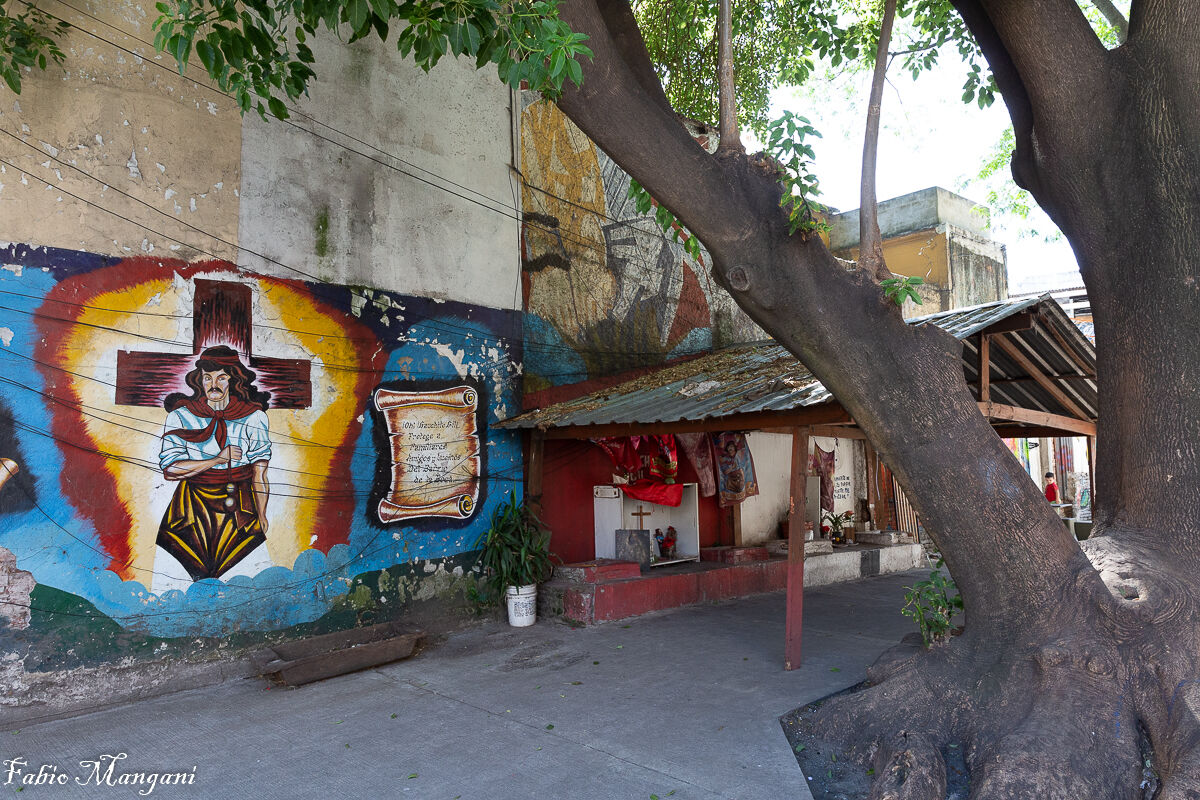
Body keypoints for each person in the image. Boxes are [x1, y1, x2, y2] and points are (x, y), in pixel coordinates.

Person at [157, 346, 272, 581]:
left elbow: (260, 473)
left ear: (235, 380)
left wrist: (262, 514)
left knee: (246, 578)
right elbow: (170, 470)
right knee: (178, 576)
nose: (213, 384)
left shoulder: (254, 417)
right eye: (207, 378)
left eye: (221, 377)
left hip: (240, 506)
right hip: (190, 507)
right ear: (199, 380)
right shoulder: (181, 417)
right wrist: (218, 459)